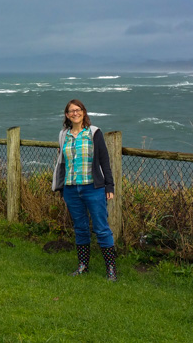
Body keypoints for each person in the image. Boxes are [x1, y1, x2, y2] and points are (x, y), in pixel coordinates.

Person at [51, 99, 118, 282]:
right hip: (71, 189)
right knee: (80, 228)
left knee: (101, 228)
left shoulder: (94, 133)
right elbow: (62, 163)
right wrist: (61, 189)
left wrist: (109, 186)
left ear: (83, 112)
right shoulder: (63, 135)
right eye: (71, 111)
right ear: (67, 115)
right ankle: (82, 266)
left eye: (78, 110)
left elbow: (104, 160)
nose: (75, 113)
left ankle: (111, 269)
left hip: (93, 188)